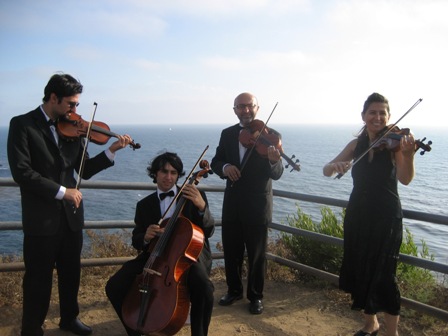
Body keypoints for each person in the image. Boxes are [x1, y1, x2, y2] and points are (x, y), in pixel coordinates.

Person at [6, 73, 133, 336]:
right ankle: (31, 328)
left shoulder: (73, 129)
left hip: (71, 217)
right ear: (53, 98)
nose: (75, 111)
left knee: (71, 273)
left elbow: (84, 170)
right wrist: (63, 191)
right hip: (41, 218)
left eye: (77, 105)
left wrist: (111, 151)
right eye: (71, 104)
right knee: (37, 279)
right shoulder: (22, 125)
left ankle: (69, 318)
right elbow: (22, 172)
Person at [323, 92, 416, 336]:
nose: (377, 117)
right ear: (363, 116)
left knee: (385, 273)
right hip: (359, 213)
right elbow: (326, 170)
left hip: (386, 216)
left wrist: (408, 155)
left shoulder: (396, 146)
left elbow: (406, 179)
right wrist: (335, 166)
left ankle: (391, 332)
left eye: (382, 113)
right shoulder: (356, 146)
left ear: (388, 116)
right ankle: (370, 324)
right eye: (372, 113)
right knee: (362, 268)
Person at [105, 152, 215, 336]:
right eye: (164, 172)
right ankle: (135, 330)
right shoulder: (144, 205)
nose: (169, 177)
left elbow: (209, 230)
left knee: (204, 289)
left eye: (173, 172)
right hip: (155, 256)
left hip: (188, 257)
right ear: (155, 173)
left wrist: (202, 207)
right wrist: (146, 237)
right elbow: (137, 240)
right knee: (114, 286)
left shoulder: (194, 195)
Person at [210, 92, 284, 315]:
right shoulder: (228, 134)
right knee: (231, 251)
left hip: (257, 205)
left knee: (257, 254)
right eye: (240, 107)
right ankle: (233, 291)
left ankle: (255, 296)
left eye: (249, 106)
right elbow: (216, 161)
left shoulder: (272, 136)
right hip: (232, 203)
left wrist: (273, 160)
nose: (245, 110)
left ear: (257, 108)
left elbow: (278, 172)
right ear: (235, 110)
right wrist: (225, 168)